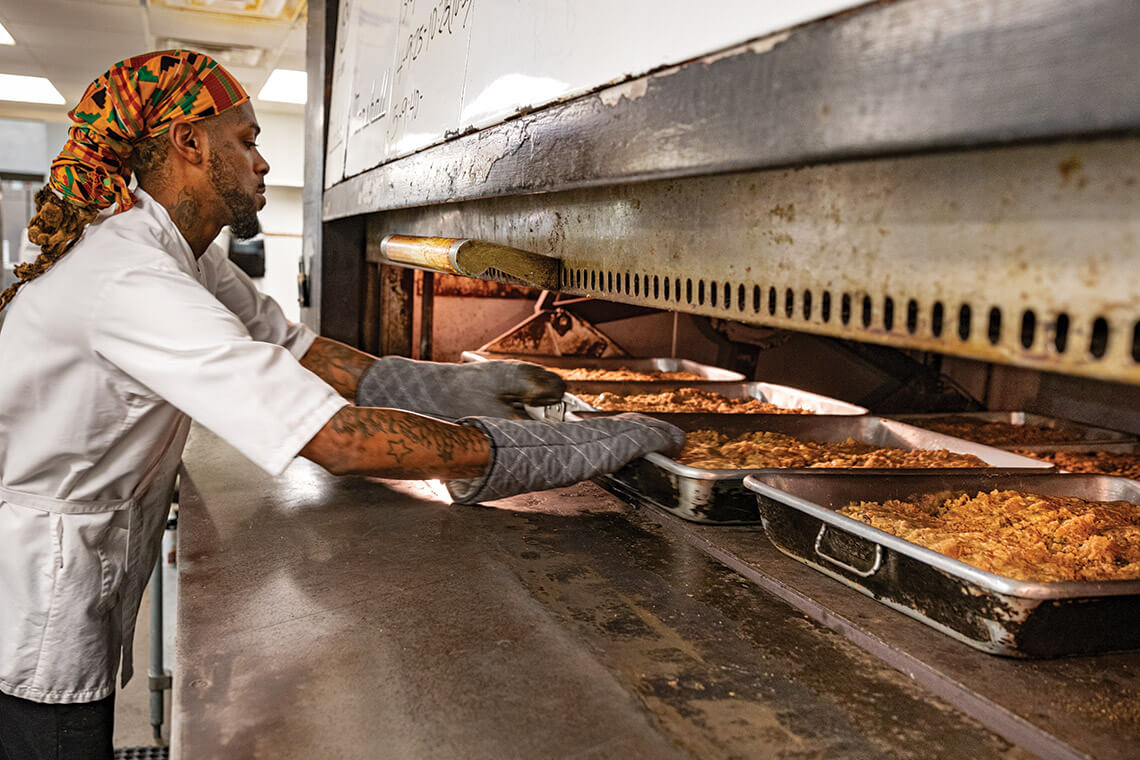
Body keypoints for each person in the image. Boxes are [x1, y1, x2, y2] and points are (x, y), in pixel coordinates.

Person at [0, 50, 682, 759]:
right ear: (189, 143)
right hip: (36, 589)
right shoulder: (130, 276)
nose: (263, 163)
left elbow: (306, 355)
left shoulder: (187, 256)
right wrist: (545, 450)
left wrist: (459, 387)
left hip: (88, 555)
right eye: (248, 140)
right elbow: (338, 442)